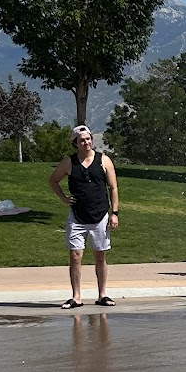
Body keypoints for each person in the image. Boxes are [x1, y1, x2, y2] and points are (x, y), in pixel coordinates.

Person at [50, 125, 119, 307]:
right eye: (82, 140)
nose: (86, 143)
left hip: (100, 215)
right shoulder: (68, 162)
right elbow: (53, 180)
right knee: (75, 255)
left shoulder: (104, 160)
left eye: (88, 139)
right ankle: (76, 296)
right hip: (77, 216)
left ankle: (102, 294)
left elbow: (113, 188)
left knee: (100, 256)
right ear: (75, 143)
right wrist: (64, 198)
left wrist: (114, 213)